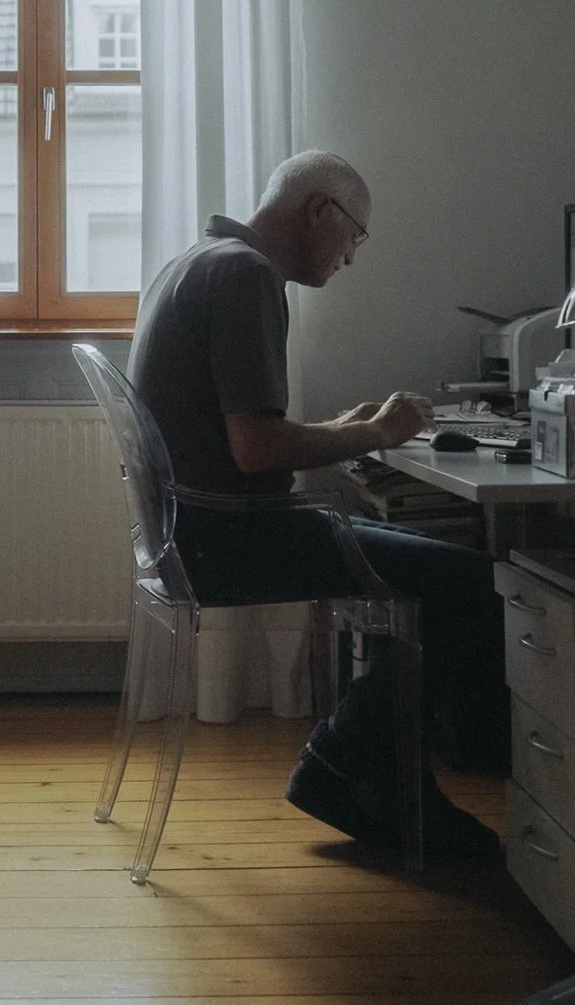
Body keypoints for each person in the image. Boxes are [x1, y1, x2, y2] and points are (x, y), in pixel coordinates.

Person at [129, 150, 505, 860]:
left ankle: (374, 767)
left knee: (420, 568)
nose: (351, 257)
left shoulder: (198, 261)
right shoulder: (247, 276)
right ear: (318, 211)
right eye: (355, 236)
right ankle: (348, 764)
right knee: (475, 583)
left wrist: (345, 428)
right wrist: (374, 432)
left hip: (196, 531)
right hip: (233, 538)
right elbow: (256, 451)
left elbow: (241, 437)